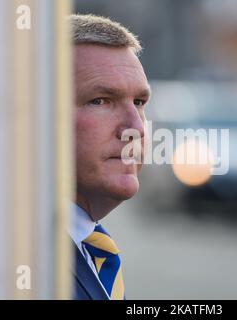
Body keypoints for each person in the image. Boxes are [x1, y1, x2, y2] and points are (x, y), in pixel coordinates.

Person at [68, 14, 150, 300]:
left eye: (139, 102)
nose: (136, 128)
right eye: (101, 101)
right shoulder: (6, 260)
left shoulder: (87, 247)